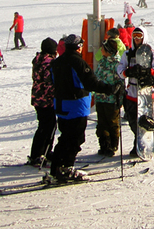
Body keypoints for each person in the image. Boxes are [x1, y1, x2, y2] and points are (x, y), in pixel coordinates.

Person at [50, 34, 116, 181]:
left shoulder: (57, 62)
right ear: (79, 47)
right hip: (76, 105)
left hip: (61, 104)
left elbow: (53, 82)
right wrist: (109, 89)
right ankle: (66, 167)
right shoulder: (77, 62)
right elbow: (90, 82)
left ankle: (56, 167)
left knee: (65, 137)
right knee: (75, 138)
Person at [118, 26, 154, 154]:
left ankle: (144, 144)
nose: (137, 39)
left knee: (144, 122)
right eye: (135, 36)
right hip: (132, 91)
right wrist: (127, 72)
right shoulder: (127, 54)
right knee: (133, 122)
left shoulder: (151, 52)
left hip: (146, 92)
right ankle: (149, 141)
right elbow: (120, 69)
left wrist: (149, 71)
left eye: (139, 36)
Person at [28, 37, 58, 167]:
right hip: (46, 98)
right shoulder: (49, 62)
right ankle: (39, 153)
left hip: (37, 97)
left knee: (45, 125)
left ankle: (43, 151)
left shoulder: (38, 59)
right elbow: (49, 82)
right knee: (47, 127)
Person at [94, 37, 124, 157]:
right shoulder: (102, 61)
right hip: (100, 97)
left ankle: (113, 144)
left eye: (103, 48)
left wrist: (119, 98)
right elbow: (97, 76)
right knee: (101, 122)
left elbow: (121, 83)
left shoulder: (117, 64)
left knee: (112, 122)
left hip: (111, 99)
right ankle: (104, 144)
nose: (101, 50)